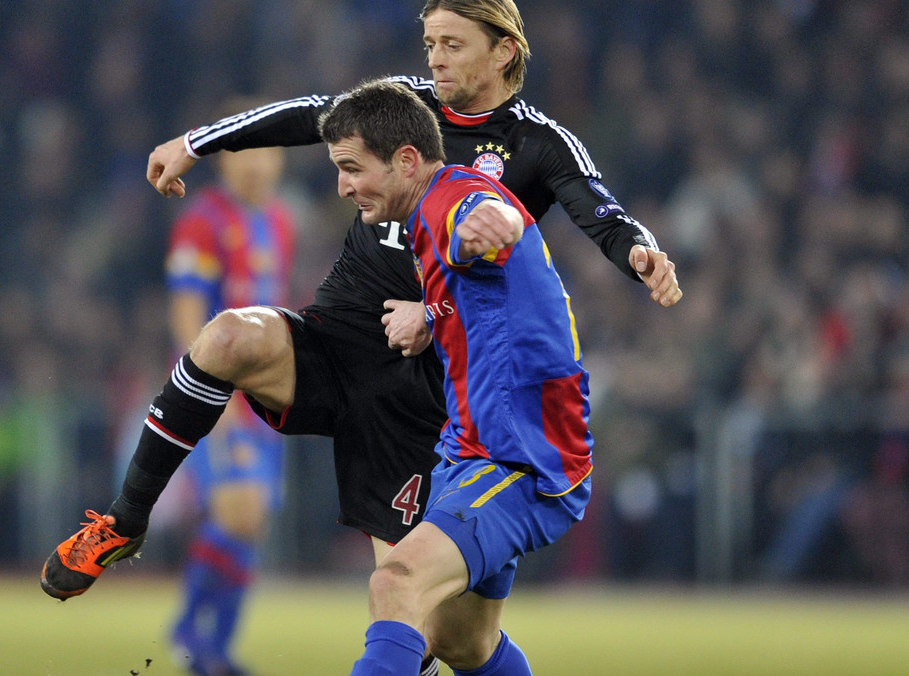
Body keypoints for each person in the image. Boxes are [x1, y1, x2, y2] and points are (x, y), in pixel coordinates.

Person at [42, 1, 681, 673]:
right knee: (229, 337)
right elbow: (305, 113)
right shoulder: (399, 107)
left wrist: (639, 253)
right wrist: (197, 142)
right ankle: (126, 519)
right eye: (430, 41)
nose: (434, 57)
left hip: (427, 394)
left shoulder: (536, 147)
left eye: (453, 44)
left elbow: (597, 211)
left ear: (503, 53)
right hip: (343, 335)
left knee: (450, 635)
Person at [322, 77, 590, 676]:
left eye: (351, 167)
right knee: (461, 642)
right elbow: (480, 291)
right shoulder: (425, 216)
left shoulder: (452, 200)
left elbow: (478, 221)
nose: (342, 186)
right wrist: (433, 313)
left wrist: (490, 223)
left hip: (521, 456)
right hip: (469, 448)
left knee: (395, 583)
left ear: (407, 160)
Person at [161, 100, 297, 675]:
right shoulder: (203, 221)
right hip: (220, 388)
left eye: (266, 151)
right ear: (219, 159)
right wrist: (206, 391)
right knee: (238, 509)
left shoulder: (280, 222)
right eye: (242, 151)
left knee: (254, 515)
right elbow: (186, 313)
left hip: (267, 389)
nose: (256, 165)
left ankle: (216, 649)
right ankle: (189, 629)